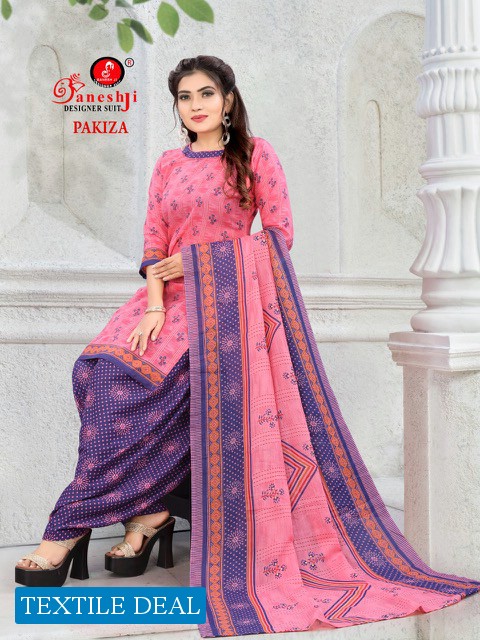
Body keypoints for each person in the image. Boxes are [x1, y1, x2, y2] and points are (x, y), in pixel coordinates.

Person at [15, 55, 480, 638]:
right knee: (98, 373)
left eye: (206, 93)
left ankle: (73, 525)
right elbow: (153, 243)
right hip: (167, 301)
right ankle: (150, 510)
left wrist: (199, 262)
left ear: (229, 99)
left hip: (227, 307)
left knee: (136, 395)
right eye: (185, 97)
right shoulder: (167, 164)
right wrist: (155, 304)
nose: (196, 105)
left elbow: (278, 238)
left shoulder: (257, 156)